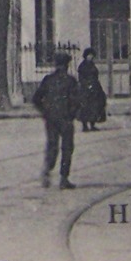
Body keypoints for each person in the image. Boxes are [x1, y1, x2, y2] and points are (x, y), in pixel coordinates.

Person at [31, 52, 83, 188]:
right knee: (67, 148)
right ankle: (64, 179)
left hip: (51, 119)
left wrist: (45, 112)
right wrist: (72, 114)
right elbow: (77, 101)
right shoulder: (70, 81)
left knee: (52, 146)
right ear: (67, 65)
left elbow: (36, 99)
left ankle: (47, 170)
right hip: (65, 119)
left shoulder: (48, 79)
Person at [76, 47, 107, 131]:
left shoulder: (92, 65)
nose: (90, 57)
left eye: (92, 55)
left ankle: (92, 124)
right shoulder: (82, 66)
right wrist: (87, 85)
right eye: (89, 55)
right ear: (85, 56)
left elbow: (95, 76)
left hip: (95, 88)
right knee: (85, 107)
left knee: (96, 106)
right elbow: (81, 78)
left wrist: (95, 85)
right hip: (85, 89)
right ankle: (85, 126)